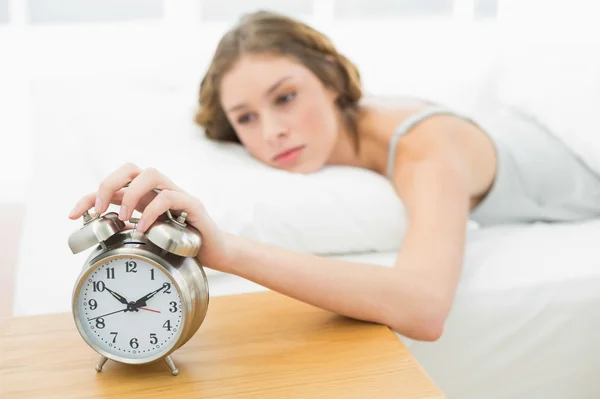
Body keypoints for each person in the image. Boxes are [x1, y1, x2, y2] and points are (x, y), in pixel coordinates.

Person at [68, 11, 600, 341]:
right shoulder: (347, 130)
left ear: (330, 79)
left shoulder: (425, 149)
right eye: (247, 118)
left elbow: (423, 308)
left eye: (286, 97)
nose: (273, 131)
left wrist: (228, 250)